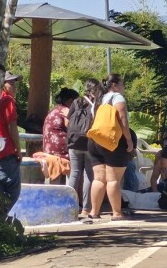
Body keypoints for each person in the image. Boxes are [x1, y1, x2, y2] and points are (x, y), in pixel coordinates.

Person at [87, 73, 134, 221]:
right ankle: (116, 213)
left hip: (95, 141)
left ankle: (94, 211)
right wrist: (129, 140)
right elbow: (122, 120)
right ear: (114, 85)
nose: (123, 87)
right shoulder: (117, 97)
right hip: (113, 142)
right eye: (122, 84)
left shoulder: (98, 99)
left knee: (99, 179)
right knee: (113, 179)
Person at [0, 68, 23, 215]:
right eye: (11, 84)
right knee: (13, 190)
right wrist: (18, 149)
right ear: (3, 85)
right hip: (5, 151)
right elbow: (12, 126)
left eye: (15, 84)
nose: (14, 87)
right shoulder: (7, 100)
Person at [67, 79, 98, 217]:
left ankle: (69, 206)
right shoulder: (95, 104)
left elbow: (67, 121)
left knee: (74, 173)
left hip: (73, 142)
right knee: (89, 175)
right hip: (88, 142)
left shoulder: (75, 102)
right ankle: (86, 209)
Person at [42, 87, 77, 184]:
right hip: (60, 152)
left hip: (48, 150)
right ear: (71, 101)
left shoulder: (55, 109)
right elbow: (73, 129)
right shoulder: (66, 111)